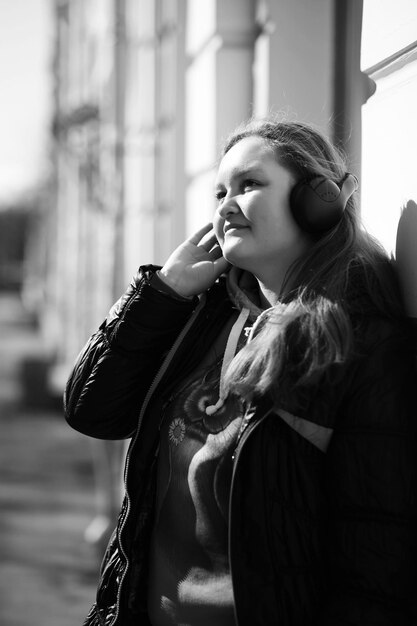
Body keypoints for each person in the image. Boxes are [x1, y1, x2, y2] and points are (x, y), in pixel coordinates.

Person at [64, 118, 417, 626]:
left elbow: (376, 558)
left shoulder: (360, 346)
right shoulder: (208, 316)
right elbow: (91, 410)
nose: (225, 205)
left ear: (317, 199)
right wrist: (161, 292)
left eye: (249, 185)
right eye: (219, 192)